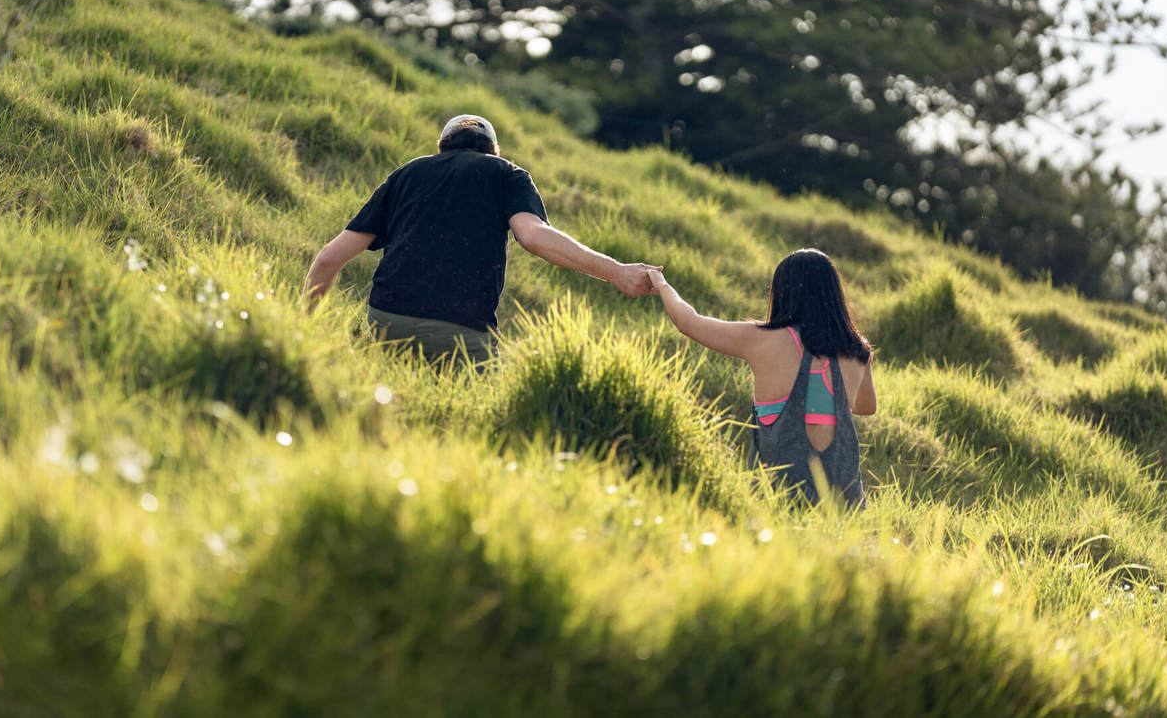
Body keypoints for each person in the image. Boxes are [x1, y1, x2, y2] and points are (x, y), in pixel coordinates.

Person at [304, 114, 656, 362]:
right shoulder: (507, 174)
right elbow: (534, 237)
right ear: (493, 151)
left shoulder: (407, 173)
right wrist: (616, 271)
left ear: (442, 148)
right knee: (481, 419)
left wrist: (304, 327)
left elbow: (328, 260)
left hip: (387, 318)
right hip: (462, 329)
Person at [646, 249, 876, 506]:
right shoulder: (858, 350)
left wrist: (661, 284)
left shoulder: (762, 340)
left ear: (783, 292)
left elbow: (688, 322)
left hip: (781, 503)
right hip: (847, 504)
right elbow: (867, 407)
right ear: (834, 295)